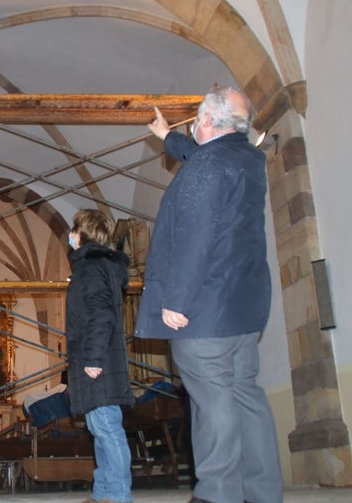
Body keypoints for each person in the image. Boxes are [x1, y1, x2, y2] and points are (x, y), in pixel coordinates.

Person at [135, 88, 282, 503]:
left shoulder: (206, 167)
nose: (193, 125)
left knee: (211, 402)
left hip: (203, 313)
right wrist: (168, 137)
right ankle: (263, 492)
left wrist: (175, 301)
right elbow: (205, 155)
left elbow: (193, 240)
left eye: (196, 119)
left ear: (206, 121)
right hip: (242, 311)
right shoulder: (248, 159)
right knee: (246, 398)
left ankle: (217, 493)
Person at [64, 209, 134, 503]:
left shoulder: (91, 268)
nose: (71, 234)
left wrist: (92, 358)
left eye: (73, 229)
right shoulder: (94, 266)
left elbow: (101, 314)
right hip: (97, 358)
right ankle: (103, 491)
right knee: (98, 426)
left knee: (107, 427)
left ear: (80, 235)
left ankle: (118, 494)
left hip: (98, 360)